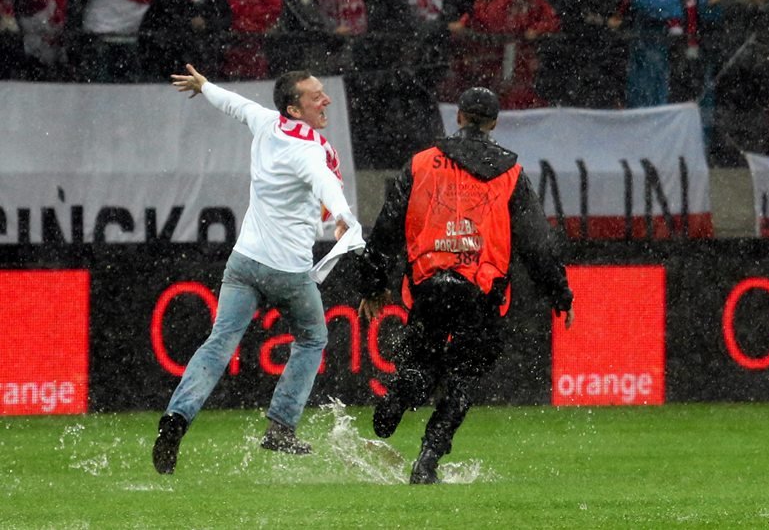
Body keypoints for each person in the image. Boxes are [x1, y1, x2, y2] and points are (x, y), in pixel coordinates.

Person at [357, 86, 575, 484]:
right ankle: (428, 459)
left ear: (457, 117)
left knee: (422, 361)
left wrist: (372, 282)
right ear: (493, 123)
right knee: (463, 377)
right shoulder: (510, 173)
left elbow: (387, 224)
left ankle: (401, 394)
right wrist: (559, 293)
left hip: (428, 282)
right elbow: (537, 243)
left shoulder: (422, 163)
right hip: (481, 288)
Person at [152, 63, 359, 474]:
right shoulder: (309, 150)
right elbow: (323, 180)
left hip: (244, 261)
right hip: (288, 271)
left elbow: (234, 105)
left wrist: (206, 85)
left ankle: (176, 418)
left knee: (219, 343)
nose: (326, 100)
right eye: (316, 96)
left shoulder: (267, 123)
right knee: (313, 338)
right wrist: (344, 216)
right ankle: (280, 426)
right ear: (294, 110)